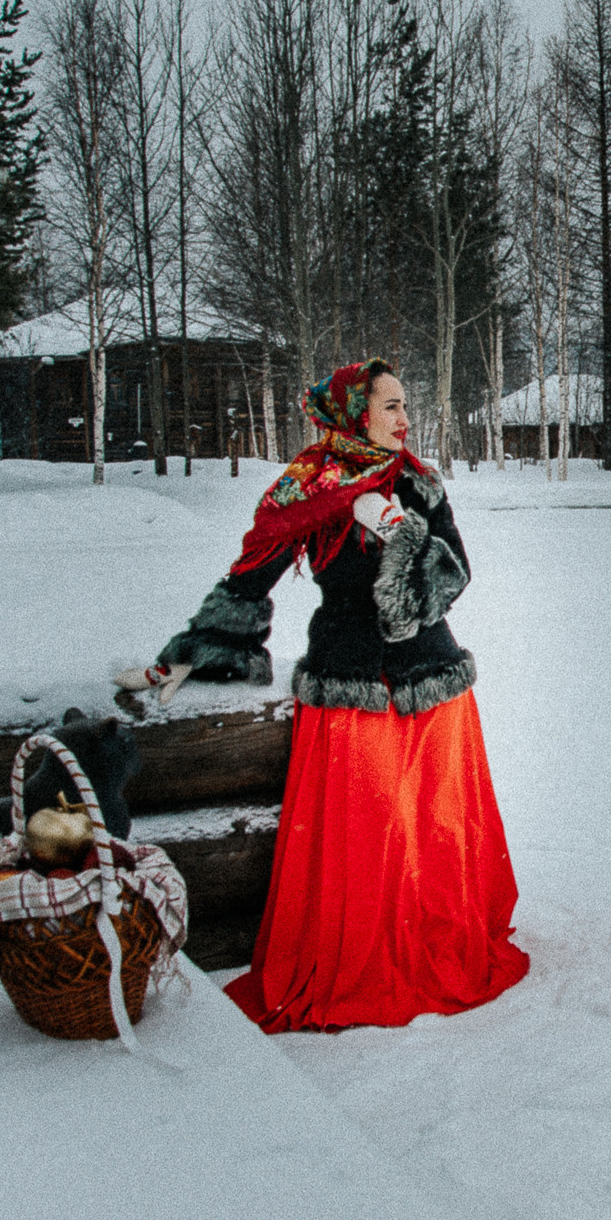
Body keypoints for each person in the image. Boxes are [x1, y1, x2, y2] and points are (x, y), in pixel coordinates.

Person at [120, 358, 528, 1031]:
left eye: (405, 405)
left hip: (431, 680)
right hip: (350, 682)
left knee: (435, 827)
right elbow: (252, 576)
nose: (404, 419)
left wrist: (401, 532)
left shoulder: (418, 482)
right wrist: (192, 653)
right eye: (390, 406)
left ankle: (435, 940)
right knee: (363, 838)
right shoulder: (309, 486)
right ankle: (361, 960)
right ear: (353, 414)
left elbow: (454, 576)